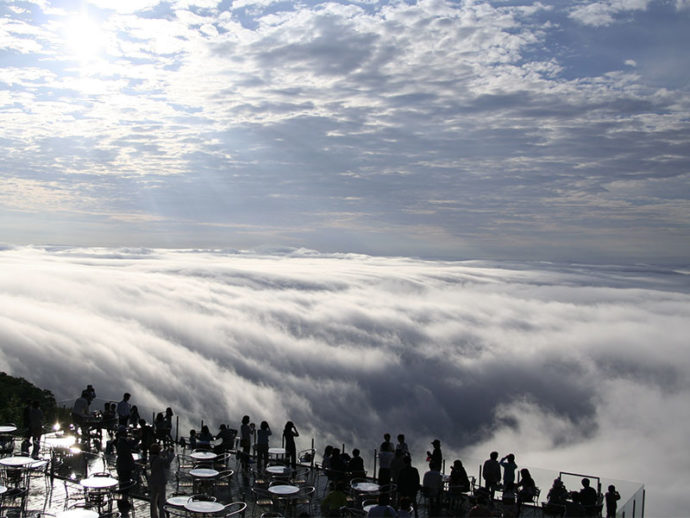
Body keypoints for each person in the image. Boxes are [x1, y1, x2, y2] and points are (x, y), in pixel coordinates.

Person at [148, 442, 175, 518]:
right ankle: (162, 516)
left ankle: (153, 515)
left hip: (153, 481)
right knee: (161, 501)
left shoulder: (151, 458)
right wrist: (172, 453)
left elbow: (161, 455)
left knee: (153, 499)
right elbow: (167, 461)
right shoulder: (159, 459)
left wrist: (166, 451)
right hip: (160, 481)